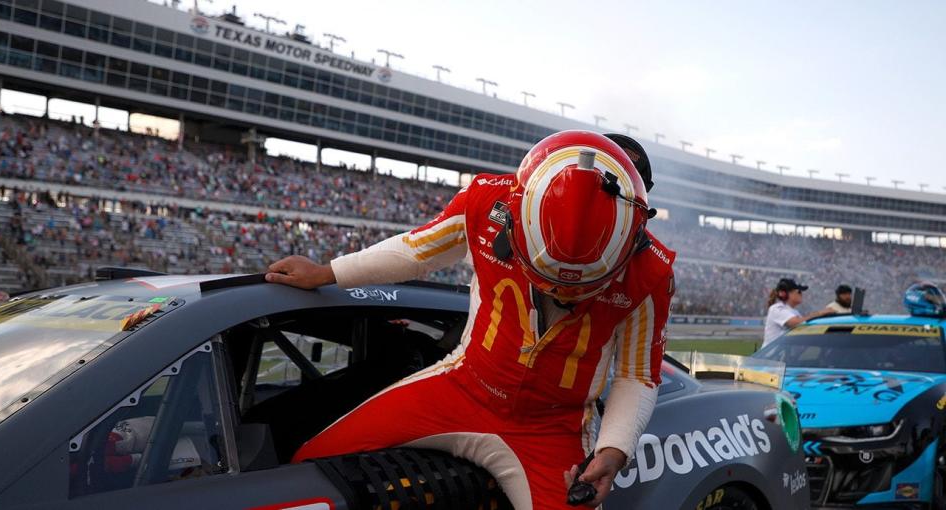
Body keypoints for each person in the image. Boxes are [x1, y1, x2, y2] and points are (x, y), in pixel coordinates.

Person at [265, 130, 674, 509]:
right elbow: (416, 251)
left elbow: (637, 375)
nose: (560, 293)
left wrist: (613, 449)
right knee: (310, 465)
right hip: (462, 386)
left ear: (633, 232)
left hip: (553, 426)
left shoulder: (652, 272)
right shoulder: (486, 200)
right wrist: (329, 272)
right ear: (518, 212)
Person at [763, 278, 833, 347]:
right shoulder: (777, 308)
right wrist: (820, 313)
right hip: (769, 356)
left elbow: (805, 328)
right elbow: (796, 323)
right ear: (784, 293)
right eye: (798, 292)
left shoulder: (794, 312)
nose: (801, 294)